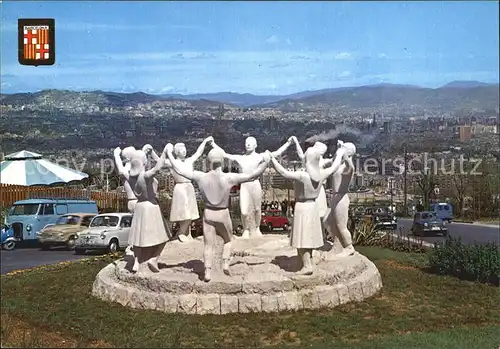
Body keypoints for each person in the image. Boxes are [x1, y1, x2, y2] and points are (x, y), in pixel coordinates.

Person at [166, 142, 271, 282]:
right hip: (222, 213)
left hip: (209, 213)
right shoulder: (228, 177)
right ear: (222, 161)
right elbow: (252, 175)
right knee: (228, 240)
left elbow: (180, 170)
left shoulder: (201, 177)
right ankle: (225, 262)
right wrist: (265, 163)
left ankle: (207, 271)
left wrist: (169, 155)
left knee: (208, 245)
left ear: (209, 162)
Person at [269, 142, 343, 275]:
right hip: (313, 206)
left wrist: (272, 159)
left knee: (302, 238)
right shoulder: (322, 173)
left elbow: (283, 172)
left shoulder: (303, 176)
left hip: (302, 207)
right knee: (307, 237)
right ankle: (303, 261)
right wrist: (340, 153)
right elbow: (335, 165)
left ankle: (307, 265)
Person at [211, 136, 293, 238]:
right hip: (245, 184)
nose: (248, 144)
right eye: (246, 143)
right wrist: (213, 144)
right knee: (244, 211)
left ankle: (257, 228)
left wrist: (288, 143)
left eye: (250, 143)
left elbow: (276, 153)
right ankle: (246, 229)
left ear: (255, 145)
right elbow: (224, 155)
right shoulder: (241, 158)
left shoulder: (259, 156)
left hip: (255, 183)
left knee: (258, 209)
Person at [113, 145, 171, 273]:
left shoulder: (130, 177)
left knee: (138, 238)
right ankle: (154, 258)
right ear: (144, 162)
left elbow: (121, 169)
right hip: (151, 206)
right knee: (165, 236)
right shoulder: (145, 176)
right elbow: (158, 168)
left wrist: (116, 154)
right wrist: (165, 151)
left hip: (139, 207)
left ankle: (136, 262)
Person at [151, 137, 212, 242]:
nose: (184, 151)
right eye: (181, 150)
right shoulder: (172, 162)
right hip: (180, 188)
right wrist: (152, 151)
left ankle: (187, 234)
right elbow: (158, 160)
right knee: (184, 213)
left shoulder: (189, 161)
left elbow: (198, 153)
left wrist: (204, 142)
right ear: (177, 152)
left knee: (190, 213)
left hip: (189, 187)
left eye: (185, 149)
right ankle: (180, 233)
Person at [321, 140, 357, 259]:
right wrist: (339, 149)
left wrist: (344, 155)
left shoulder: (348, 167)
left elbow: (350, 167)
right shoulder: (340, 165)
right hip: (335, 197)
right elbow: (332, 163)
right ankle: (338, 241)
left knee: (341, 226)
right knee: (327, 220)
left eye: (344, 148)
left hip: (341, 198)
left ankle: (349, 247)